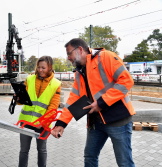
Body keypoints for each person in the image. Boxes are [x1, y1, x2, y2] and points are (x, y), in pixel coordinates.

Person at [51, 38, 136, 167]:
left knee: (124, 162)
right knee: (90, 157)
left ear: (80, 49)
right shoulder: (80, 72)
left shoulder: (106, 57)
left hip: (118, 121)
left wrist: (101, 103)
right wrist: (61, 123)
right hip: (96, 123)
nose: (68, 58)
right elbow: (73, 99)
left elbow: (126, 81)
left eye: (69, 53)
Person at [18, 55, 61, 167]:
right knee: (24, 150)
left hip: (43, 125)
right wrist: (18, 97)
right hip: (25, 121)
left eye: (43, 68)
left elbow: (53, 107)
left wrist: (44, 123)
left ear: (50, 68)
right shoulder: (29, 79)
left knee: (42, 150)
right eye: (38, 67)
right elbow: (23, 100)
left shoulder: (56, 84)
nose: (40, 70)